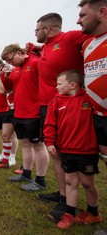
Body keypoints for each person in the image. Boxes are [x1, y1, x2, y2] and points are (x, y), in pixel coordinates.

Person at [33, 12, 91, 221]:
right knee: (55, 152)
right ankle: (62, 194)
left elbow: (95, 34)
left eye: (37, 29)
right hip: (47, 107)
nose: (35, 33)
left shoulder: (70, 38)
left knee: (62, 153)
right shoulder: (46, 46)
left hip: (68, 107)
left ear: (48, 29)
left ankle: (68, 202)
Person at [44, 70, 101, 229]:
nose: (56, 86)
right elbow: (49, 124)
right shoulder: (55, 101)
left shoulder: (89, 99)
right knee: (70, 181)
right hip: (67, 151)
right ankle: (69, 214)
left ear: (73, 85)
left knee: (88, 183)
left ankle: (93, 213)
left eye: (59, 84)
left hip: (88, 151)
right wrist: (50, 142)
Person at [0, 44, 49, 191]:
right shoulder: (16, 70)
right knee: (26, 144)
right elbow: (7, 88)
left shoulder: (35, 62)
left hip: (34, 112)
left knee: (39, 146)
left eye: (10, 59)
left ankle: (40, 180)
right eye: (7, 62)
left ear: (19, 53)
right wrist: (4, 74)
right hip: (19, 113)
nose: (10, 63)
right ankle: (26, 173)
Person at [77, 0, 107, 160]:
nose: (78, 21)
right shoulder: (86, 44)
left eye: (83, 15)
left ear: (101, 12)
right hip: (97, 117)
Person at [0, 60, 18, 167]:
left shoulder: (6, 78)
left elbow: (4, 92)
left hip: (8, 109)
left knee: (12, 135)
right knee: (3, 135)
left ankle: (12, 156)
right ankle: (4, 154)